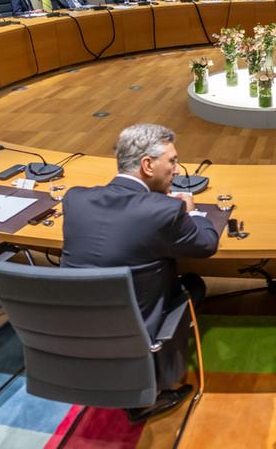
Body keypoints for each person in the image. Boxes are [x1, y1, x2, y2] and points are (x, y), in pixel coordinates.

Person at [60, 123, 215, 423]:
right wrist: (193, 211)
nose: (176, 169)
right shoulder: (165, 211)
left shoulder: (75, 199)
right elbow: (206, 245)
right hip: (139, 333)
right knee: (194, 285)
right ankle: (152, 385)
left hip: (71, 332)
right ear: (147, 165)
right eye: (171, 161)